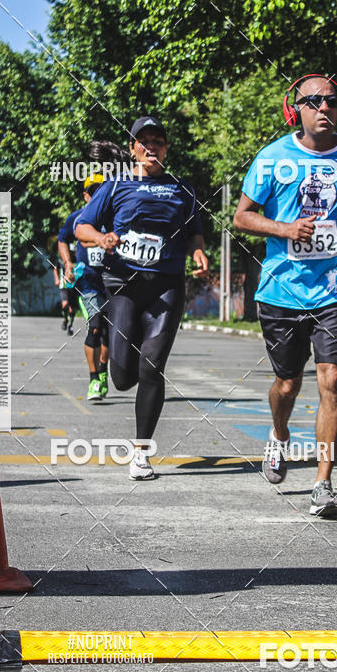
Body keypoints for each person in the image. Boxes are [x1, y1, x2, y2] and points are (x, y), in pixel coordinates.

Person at [233, 73, 337, 517]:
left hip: (336, 289)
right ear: (294, 110)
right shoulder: (272, 158)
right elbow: (241, 217)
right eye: (313, 101)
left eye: (331, 101)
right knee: (288, 384)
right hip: (281, 290)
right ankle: (279, 435)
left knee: (332, 380)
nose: (323, 108)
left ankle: (323, 484)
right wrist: (284, 229)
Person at [75, 115, 209, 479]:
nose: (152, 147)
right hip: (123, 285)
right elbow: (81, 225)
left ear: (166, 148)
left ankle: (141, 453)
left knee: (152, 365)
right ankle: (121, 366)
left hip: (166, 285)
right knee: (121, 376)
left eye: (158, 142)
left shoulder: (183, 189)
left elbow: (195, 232)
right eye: (144, 141)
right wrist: (100, 238)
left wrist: (198, 253)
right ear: (133, 148)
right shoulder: (115, 186)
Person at [58, 172, 113, 401]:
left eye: (100, 190)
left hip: (112, 282)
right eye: (92, 192)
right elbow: (62, 239)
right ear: (85, 195)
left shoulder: (114, 216)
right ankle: (93, 380)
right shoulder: (77, 217)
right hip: (88, 282)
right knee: (95, 326)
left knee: (110, 334)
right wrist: (68, 262)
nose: (96, 195)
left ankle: (102, 371)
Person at [53, 259, 79, 334]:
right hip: (63, 286)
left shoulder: (77, 257)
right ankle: (65, 319)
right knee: (65, 303)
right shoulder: (61, 259)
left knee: (72, 309)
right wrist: (57, 279)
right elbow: (55, 269)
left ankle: (70, 325)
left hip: (74, 286)